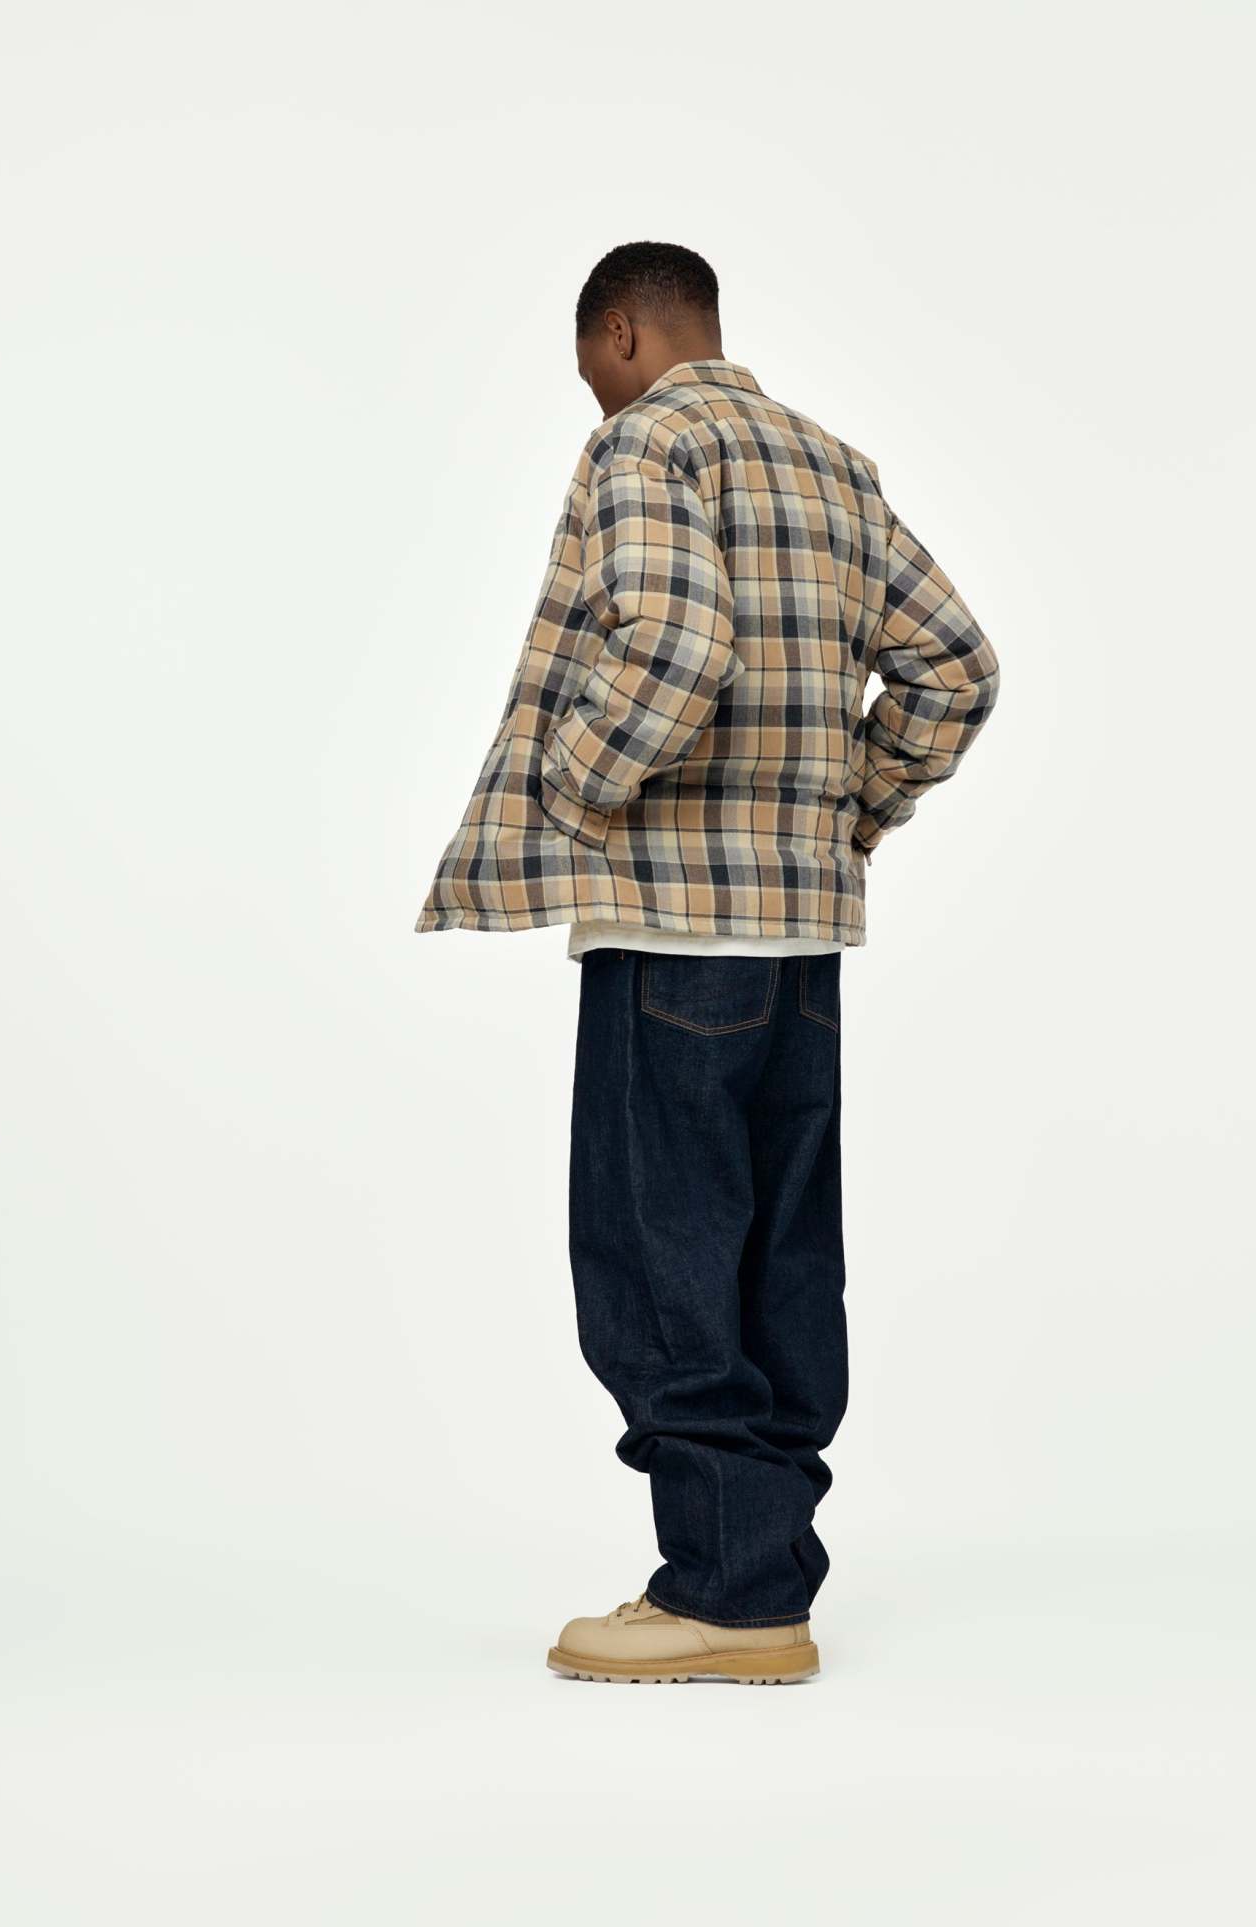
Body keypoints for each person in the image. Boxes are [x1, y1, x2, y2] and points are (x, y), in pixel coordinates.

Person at [415, 241, 1001, 1683]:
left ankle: (725, 1598)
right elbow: (956, 668)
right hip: (800, 939)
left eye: (587, 367)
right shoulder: (833, 465)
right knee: (779, 1259)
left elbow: (676, 648)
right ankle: (766, 1580)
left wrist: (576, 777)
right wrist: (847, 811)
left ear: (619, 330)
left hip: (674, 928)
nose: (589, 394)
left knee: (658, 1259)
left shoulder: (648, 443)